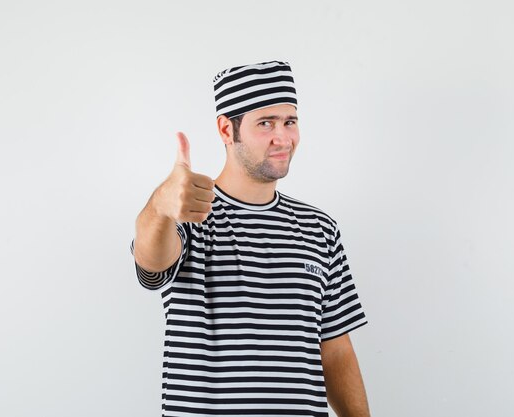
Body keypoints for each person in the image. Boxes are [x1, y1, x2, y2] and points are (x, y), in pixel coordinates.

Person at [130, 60, 371, 417]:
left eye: (290, 121)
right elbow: (150, 265)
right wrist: (161, 206)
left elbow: (334, 348)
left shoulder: (320, 228)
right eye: (265, 123)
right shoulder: (189, 213)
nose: (282, 137)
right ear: (227, 130)